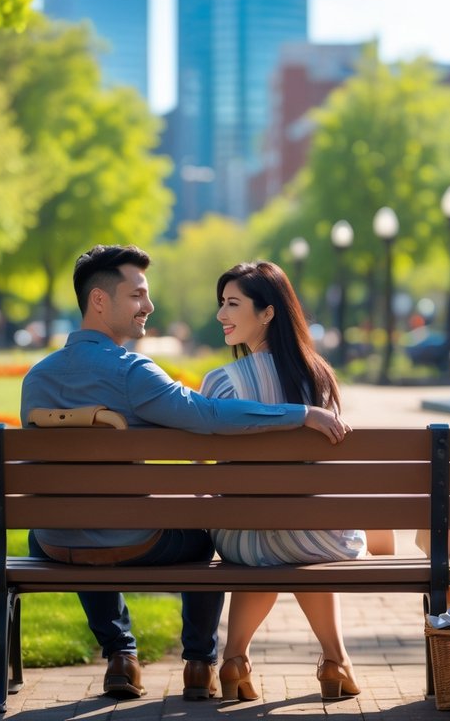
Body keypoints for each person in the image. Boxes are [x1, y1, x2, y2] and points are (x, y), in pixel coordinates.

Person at [21, 245, 350, 702]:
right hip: (133, 542)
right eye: (138, 295)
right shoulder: (132, 373)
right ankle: (199, 663)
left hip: (54, 542)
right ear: (99, 301)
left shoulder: (36, 378)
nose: (149, 307)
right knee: (200, 531)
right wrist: (298, 414)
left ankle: (120, 653)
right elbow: (209, 415)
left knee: (77, 525)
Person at [200, 261, 364, 701]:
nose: (221, 315)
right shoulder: (320, 378)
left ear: (268, 312)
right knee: (296, 534)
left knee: (269, 536)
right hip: (315, 532)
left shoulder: (220, 383)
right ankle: (336, 660)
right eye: (222, 304)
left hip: (240, 536)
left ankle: (235, 656)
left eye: (233, 304)